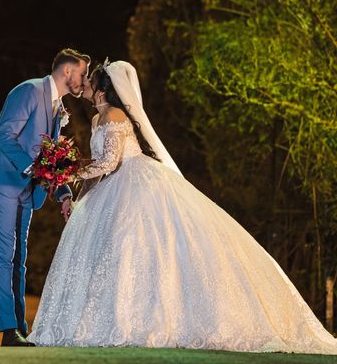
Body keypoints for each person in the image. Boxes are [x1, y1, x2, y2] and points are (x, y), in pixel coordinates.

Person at [27, 60, 337, 354]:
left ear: (104, 90)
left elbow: (108, 162)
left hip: (134, 183)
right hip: (110, 187)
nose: (87, 88)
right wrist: (79, 194)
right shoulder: (97, 119)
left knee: (136, 247)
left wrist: (71, 172)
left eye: (92, 83)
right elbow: (101, 165)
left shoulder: (116, 117)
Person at [0, 48, 90, 346]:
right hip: (0, 180)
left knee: (19, 259)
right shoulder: (28, 91)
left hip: (26, 187)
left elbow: (53, 158)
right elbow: (4, 137)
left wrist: (63, 194)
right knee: (4, 256)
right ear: (67, 71)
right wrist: (34, 169)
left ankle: (20, 327)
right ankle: (9, 331)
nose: (84, 80)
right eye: (82, 73)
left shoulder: (57, 107)